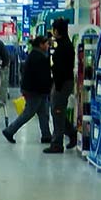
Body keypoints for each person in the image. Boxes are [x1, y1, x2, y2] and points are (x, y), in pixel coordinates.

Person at [2, 36, 52, 144]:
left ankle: (46, 135)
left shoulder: (34, 55)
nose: (48, 46)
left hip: (35, 90)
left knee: (44, 113)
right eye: (46, 44)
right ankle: (9, 131)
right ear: (41, 45)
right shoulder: (39, 57)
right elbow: (42, 76)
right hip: (36, 90)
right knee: (28, 113)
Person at [44, 18, 77, 153]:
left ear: (57, 31)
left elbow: (60, 69)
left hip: (61, 83)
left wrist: (56, 85)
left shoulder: (64, 47)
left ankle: (57, 143)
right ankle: (71, 133)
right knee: (58, 111)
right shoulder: (63, 44)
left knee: (57, 112)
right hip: (61, 83)